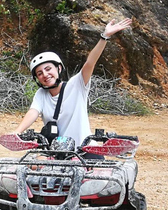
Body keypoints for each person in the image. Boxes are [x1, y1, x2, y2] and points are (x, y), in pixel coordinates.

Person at [14, 18, 133, 147]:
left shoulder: (76, 85)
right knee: (34, 166)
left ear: (58, 68)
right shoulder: (41, 94)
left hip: (82, 147)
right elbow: (33, 112)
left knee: (96, 166)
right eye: (39, 73)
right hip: (55, 150)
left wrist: (104, 37)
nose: (45, 75)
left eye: (48, 69)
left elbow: (90, 63)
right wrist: (17, 132)